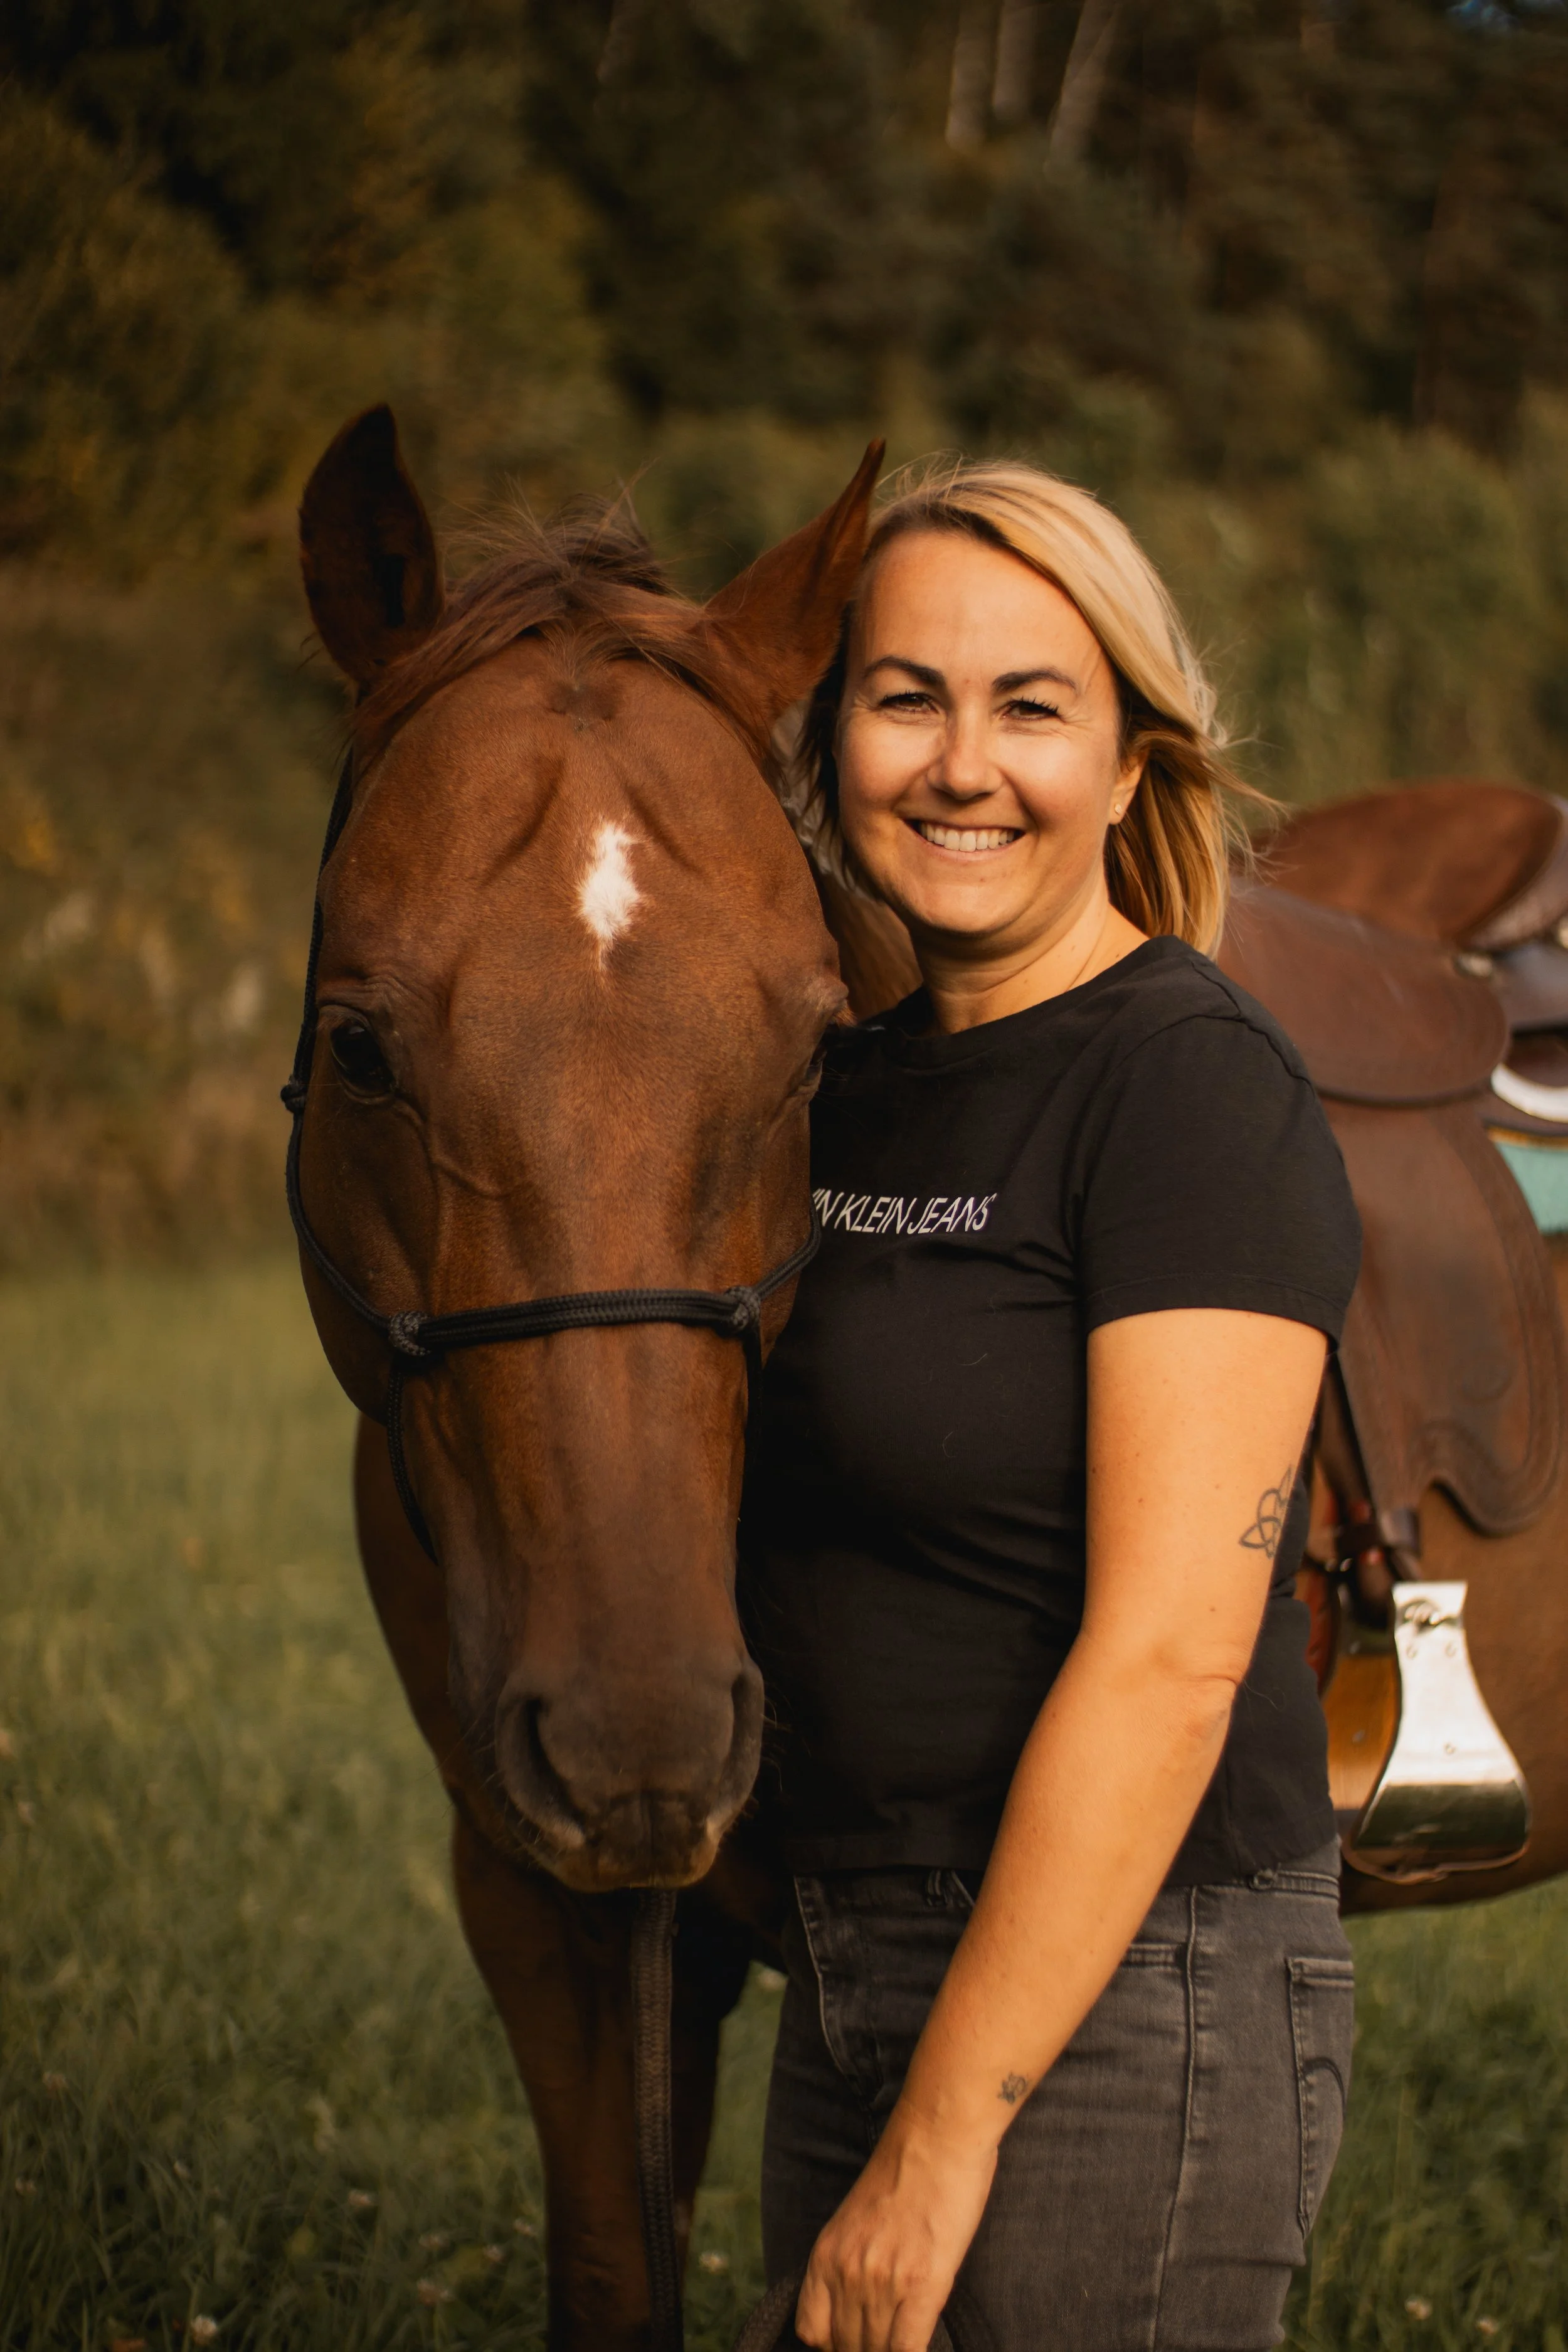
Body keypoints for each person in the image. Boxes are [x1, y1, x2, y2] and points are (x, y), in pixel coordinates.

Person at [737, 460, 1362, 2352]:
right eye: (904, 696)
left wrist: (941, 2142)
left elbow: (1175, 1654)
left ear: (1128, 762)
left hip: (1130, 1990)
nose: (960, 766)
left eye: (1030, 707)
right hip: (853, 1965)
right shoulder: (840, 1094)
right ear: (832, 739)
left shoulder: (1187, 1085)